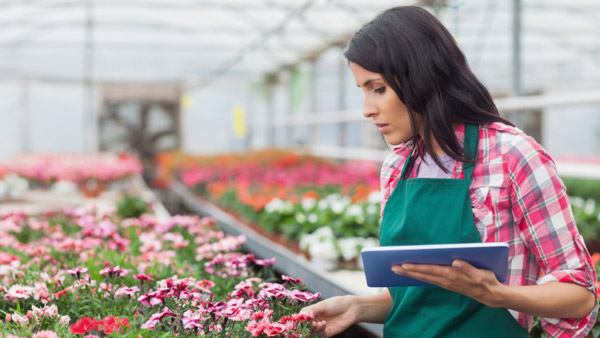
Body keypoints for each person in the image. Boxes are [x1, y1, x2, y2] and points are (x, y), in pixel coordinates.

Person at [300, 6, 598, 338]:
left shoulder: (512, 156)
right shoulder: (397, 167)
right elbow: (416, 295)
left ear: (419, 77)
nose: (368, 109)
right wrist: (357, 308)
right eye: (363, 90)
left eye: (378, 88)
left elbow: (580, 293)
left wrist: (497, 295)